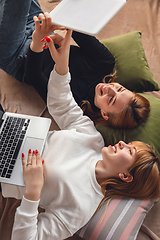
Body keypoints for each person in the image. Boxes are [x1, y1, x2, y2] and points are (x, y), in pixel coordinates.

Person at [2, 29, 159, 240]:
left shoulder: (83, 207)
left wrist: (32, 193)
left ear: (125, 176)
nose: (122, 142)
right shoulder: (93, 139)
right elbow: (63, 105)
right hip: (9, 126)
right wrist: (61, 65)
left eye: (130, 150)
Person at [0, 0, 150, 129]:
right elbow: (76, 28)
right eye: (120, 88)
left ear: (105, 114)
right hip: (39, 27)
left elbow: (34, 76)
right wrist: (60, 18)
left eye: (111, 99)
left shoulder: (72, 106)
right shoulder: (105, 63)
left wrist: (38, 40)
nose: (109, 88)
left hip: (17, 56)